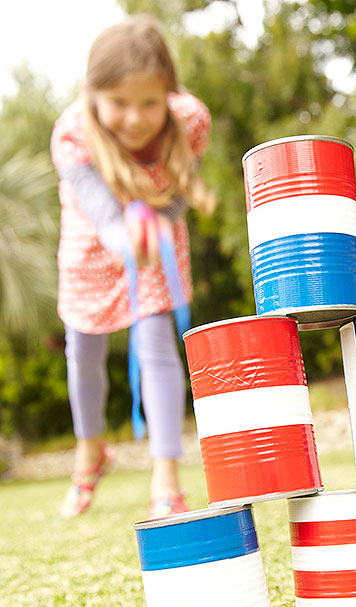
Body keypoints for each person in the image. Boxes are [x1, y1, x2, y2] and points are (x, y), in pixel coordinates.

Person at [50, 15, 215, 519]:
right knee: (84, 350)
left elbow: (181, 187)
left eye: (150, 102)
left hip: (154, 236)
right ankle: (90, 454)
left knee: (157, 346)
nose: (136, 118)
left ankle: (165, 477)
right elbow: (100, 211)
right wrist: (126, 235)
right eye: (119, 103)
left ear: (169, 92)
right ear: (93, 94)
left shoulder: (189, 121)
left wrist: (160, 221)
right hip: (94, 237)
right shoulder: (73, 135)